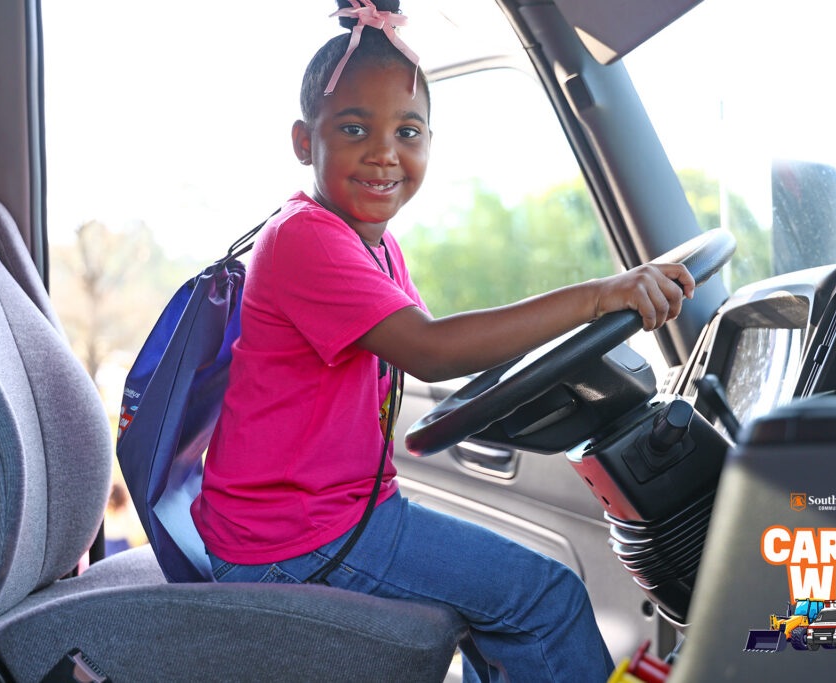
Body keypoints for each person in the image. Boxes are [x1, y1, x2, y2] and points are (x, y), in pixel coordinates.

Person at [191, 1, 694, 680]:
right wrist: (598, 295)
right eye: (353, 128)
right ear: (304, 142)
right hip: (293, 538)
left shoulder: (374, 246)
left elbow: (450, 342)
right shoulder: (305, 237)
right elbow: (430, 347)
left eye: (408, 131)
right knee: (546, 596)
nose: (384, 154)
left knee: (504, 600)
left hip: (326, 517)